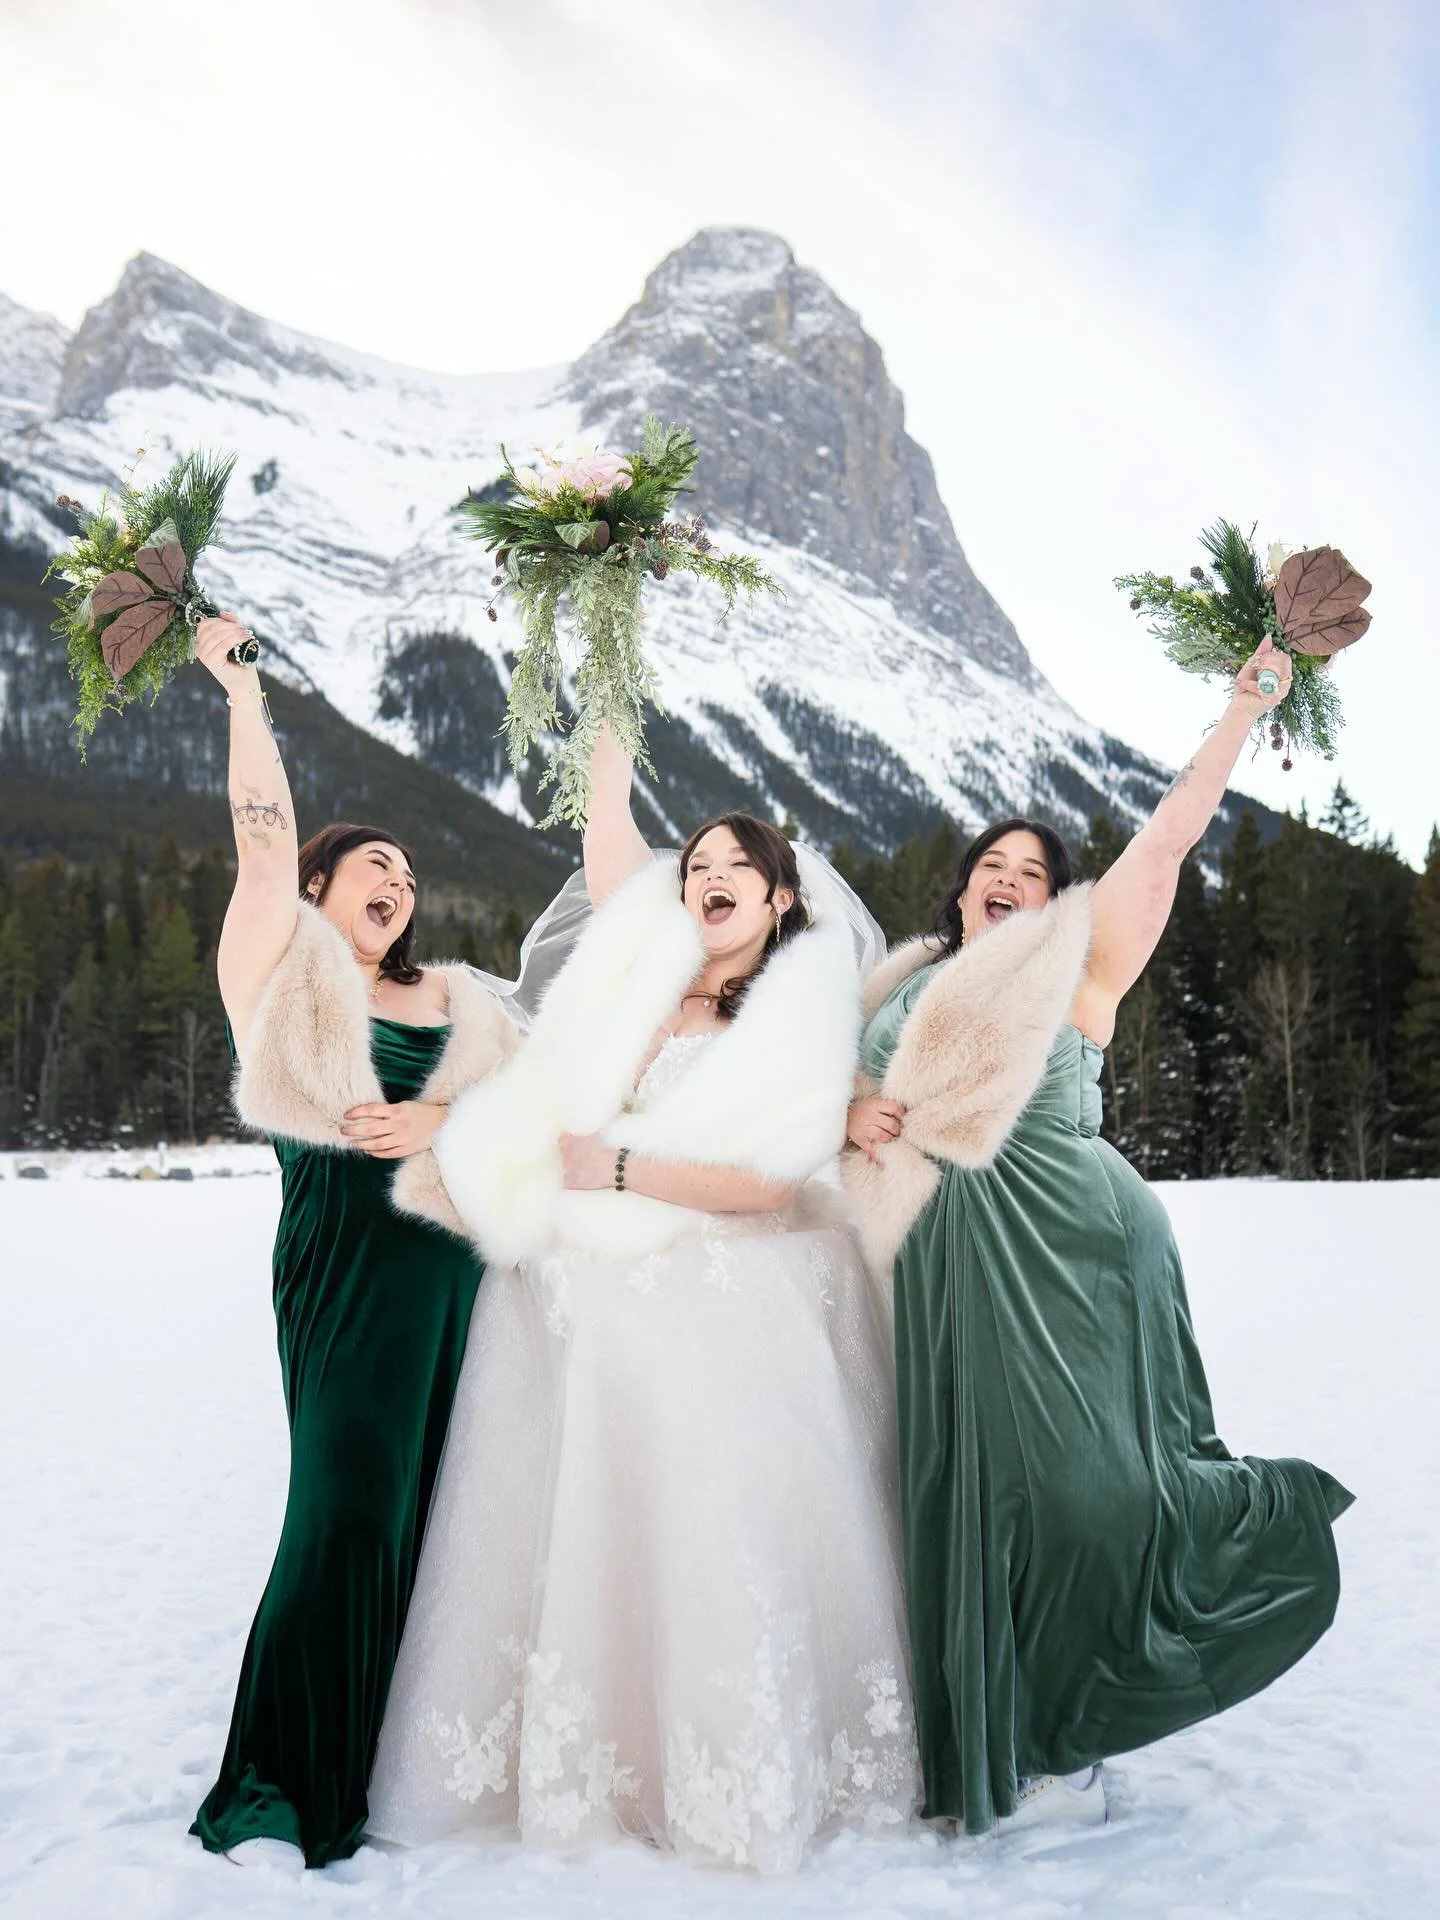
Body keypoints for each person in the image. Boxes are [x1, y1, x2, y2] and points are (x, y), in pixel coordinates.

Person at [368, 725, 916, 1872]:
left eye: (736, 869)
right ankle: (598, 1716)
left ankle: (719, 1744)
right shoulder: (645, 997)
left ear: (778, 901)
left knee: (658, 1342)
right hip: (614, 1230)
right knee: (543, 1300)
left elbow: (767, 1184)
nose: (711, 879)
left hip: (738, 1244)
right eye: (697, 867)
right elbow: (564, 1092)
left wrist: (617, 1172)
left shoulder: (793, 1011)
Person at [843, 635, 1353, 1836]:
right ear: (963, 890)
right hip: (939, 1259)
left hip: (1073, 1246)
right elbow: (832, 1107)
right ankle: (1007, 1720)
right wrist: (845, 1110)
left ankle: (1090, 1694)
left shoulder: (1083, 964)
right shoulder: (899, 990)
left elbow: (1172, 832)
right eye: (993, 865)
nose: (1011, 878)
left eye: (1035, 868)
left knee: (1086, 1494)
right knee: (972, 1497)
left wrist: (1246, 706)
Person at [187, 614, 518, 1867]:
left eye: (413, 875)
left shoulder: (460, 999)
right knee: (344, 1516)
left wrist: (441, 1116)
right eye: (373, 864)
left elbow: (534, 1114)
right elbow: (259, 848)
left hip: (467, 1287)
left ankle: (397, 1761)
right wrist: (242, 693)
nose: (401, 882)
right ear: (325, 888)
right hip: (349, 1282)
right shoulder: (283, 983)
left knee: (444, 1522)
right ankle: (283, 1782)